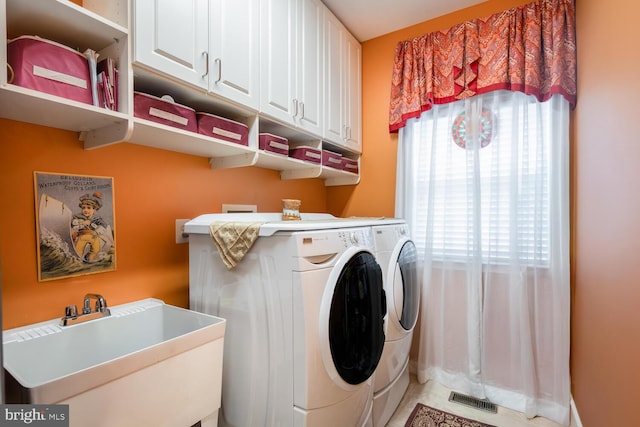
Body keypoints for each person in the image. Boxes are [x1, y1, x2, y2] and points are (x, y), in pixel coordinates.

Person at [71, 192, 109, 262]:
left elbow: (104, 225)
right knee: (78, 250)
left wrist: (96, 231)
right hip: (82, 236)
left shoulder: (96, 218)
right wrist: (81, 222)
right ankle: (77, 261)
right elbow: (72, 223)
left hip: (94, 236)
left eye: (89, 208)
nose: (85, 210)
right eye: (83, 208)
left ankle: (88, 258)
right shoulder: (78, 216)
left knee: (96, 250)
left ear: (94, 209)